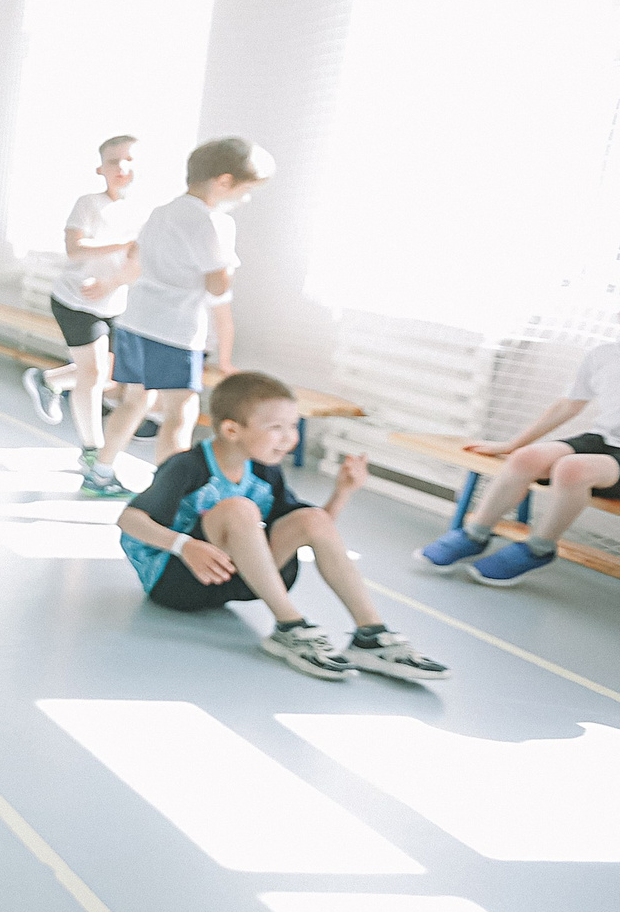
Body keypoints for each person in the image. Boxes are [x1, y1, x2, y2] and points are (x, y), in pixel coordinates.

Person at [117, 371, 450, 683]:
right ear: (232, 430)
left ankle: (371, 635)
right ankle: (290, 626)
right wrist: (184, 546)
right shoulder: (187, 466)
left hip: (236, 577)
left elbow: (309, 531)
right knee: (239, 509)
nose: (289, 438)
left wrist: (342, 493)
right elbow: (129, 519)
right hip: (177, 579)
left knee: (311, 517)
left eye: (293, 426)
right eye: (276, 427)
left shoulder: (264, 470)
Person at [94, 137, 271, 483]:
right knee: (180, 413)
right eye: (246, 189)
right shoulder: (213, 223)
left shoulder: (162, 212)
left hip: (135, 322)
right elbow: (218, 286)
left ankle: (100, 470)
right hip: (174, 330)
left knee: (134, 402)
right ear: (224, 181)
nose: (245, 199)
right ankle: (168, 492)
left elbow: (137, 262)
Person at [414, 338, 620, 586]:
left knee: (571, 468)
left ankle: (539, 548)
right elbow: (567, 405)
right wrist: (513, 445)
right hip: (603, 439)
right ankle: (474, 534)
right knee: (525, 457)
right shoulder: (604, 354)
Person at [23, 134, 147, 498]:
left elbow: (140, 261)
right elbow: (74, 249)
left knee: (104, 375)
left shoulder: (144, 212)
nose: (122, 167)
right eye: (113, 161)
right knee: (93, 376)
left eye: (129, 160)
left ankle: (49, 381)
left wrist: (113, 282)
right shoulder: (88, 204)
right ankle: (92, 454)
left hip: (114, 302)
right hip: (76, 300)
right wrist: (123, 246)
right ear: (100, 168)